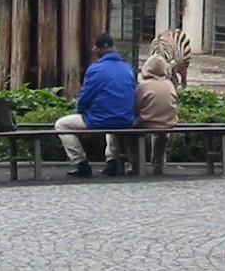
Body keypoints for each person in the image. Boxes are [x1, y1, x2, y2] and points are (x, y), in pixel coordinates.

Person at [54, 33, 136, 178]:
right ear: (114, 48)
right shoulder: (127, 68)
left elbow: (85, 98)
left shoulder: (95, 69)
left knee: (62, 125)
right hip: (125, 118)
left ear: (97, 50)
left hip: (100, 118)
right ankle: (113, 161)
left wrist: (80, 111)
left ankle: (80, 163)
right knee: (114, 123)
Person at [134, 51, 179, 175]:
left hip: (147, 122)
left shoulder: (143, 86)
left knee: (131, 135)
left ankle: (136, 165)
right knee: (161, 137)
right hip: (168, 122)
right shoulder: (169, 85)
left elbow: (136, 107)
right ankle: (158, 164)